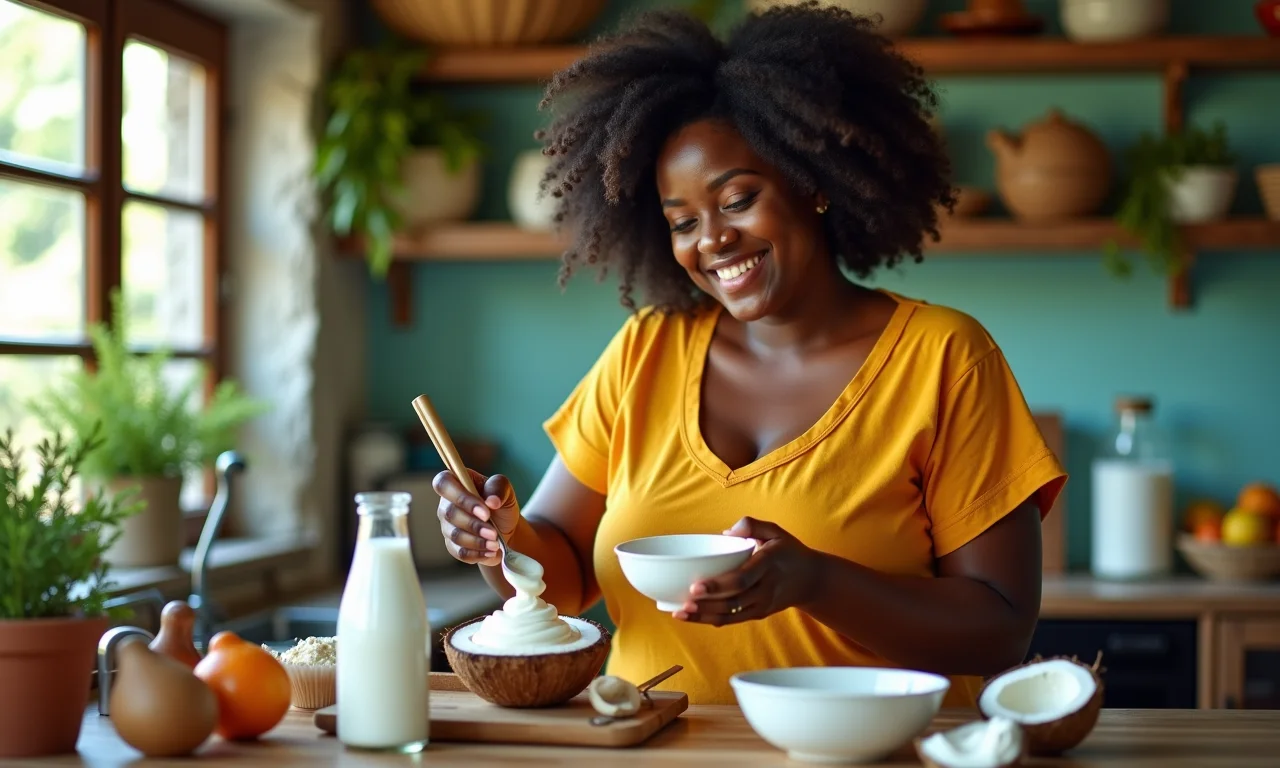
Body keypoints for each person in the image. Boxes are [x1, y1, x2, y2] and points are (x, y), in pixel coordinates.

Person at [433, 1, 1067, 709]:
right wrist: (501, 537)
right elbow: (565, 575)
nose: (711, 241)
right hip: (652, 751)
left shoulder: (945, 357)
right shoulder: (648, 348)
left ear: (815, 181)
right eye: (682, 221)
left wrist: (816, 582)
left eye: (737, 200)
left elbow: (1000, 629)